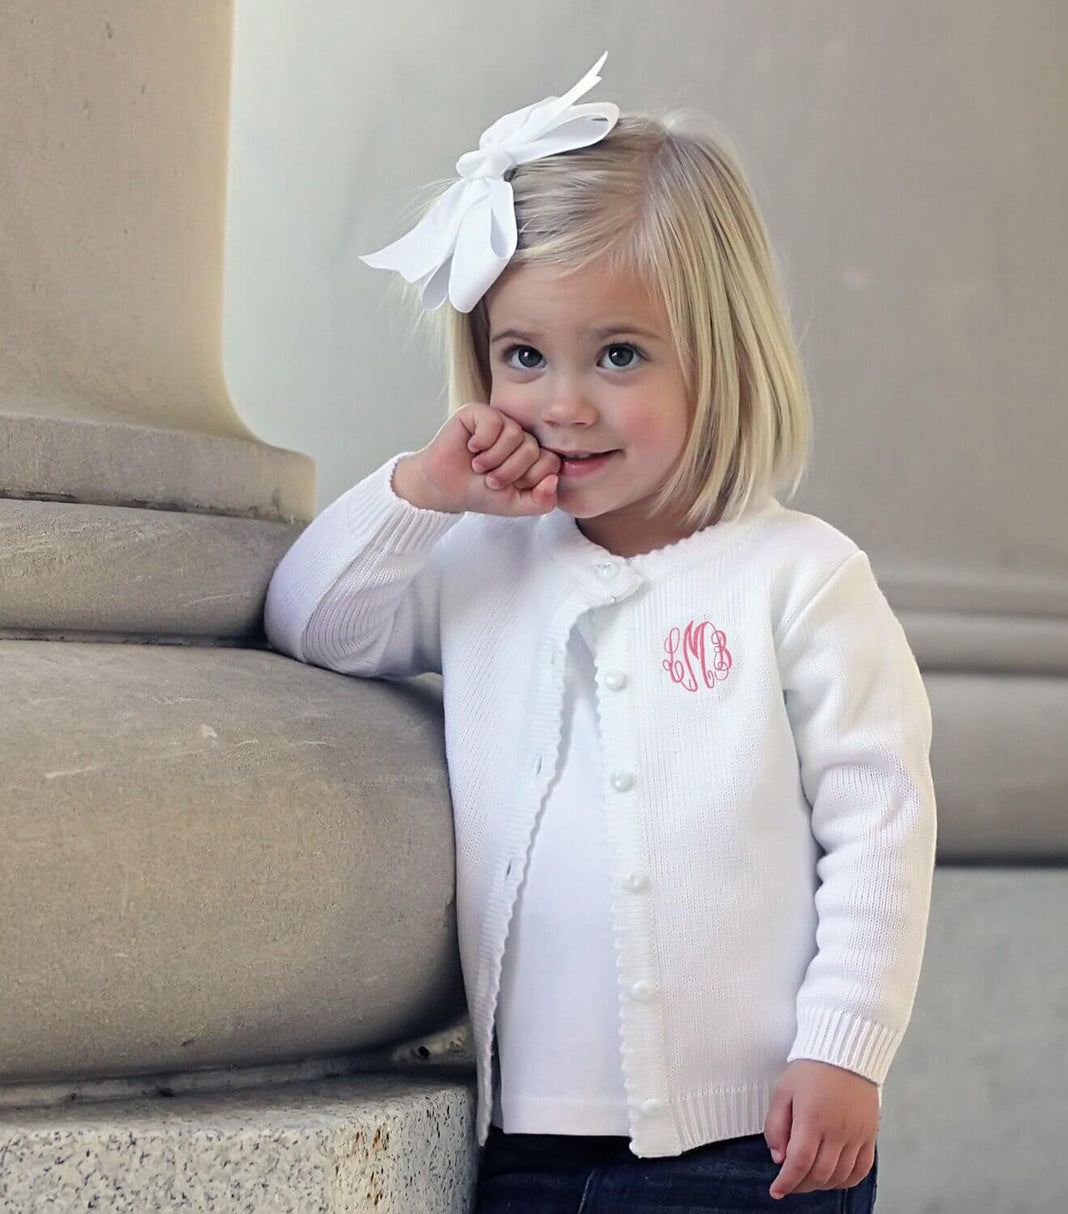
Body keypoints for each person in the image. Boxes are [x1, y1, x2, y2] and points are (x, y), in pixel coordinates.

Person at [263, 51, 936, 1212]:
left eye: (617, 354)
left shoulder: (799, 576)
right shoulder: (482, 561)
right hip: (528, 1137)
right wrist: (420, 491)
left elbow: (879, 823)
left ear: (715, 354)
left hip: (759, 1138)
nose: (562, 402)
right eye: (522, 356)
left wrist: (843, 1043)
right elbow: (316, 625)